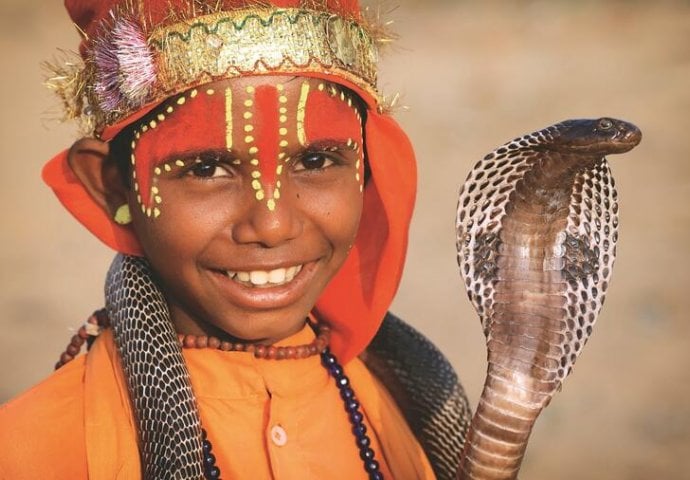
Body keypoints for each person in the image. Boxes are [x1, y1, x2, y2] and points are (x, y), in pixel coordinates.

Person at [0, 0, 468, 478]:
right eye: (206, 169)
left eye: (316, 162)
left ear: (367, 168)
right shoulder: (31, 452)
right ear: (114, 186)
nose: (272, 226)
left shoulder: (408, 412)